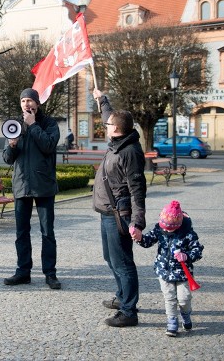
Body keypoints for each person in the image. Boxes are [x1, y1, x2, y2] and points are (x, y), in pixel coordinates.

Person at [92, 88, 147, 327]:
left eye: (108, 124)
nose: (106, 125)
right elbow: (108, 115)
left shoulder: (129, 151)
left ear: (116, 128)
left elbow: (138, 190)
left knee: (123, 262)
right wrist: (102, 100)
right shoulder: (117, 141)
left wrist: (137, 221)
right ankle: (122, 296)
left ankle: (129, 311)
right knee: (110, 258)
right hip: (106, 212)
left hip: (119, 214)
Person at [2, 88, 61, 290]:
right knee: (21, 232)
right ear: (20, 104)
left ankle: (50, 274)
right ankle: (23, 272)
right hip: (21, 185)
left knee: (47, 232)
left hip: (43, 185)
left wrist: (33, 125)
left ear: (38, 104)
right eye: (24, 101)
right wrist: (11, 145)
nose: (27, 104)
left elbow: (48, 145)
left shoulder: (49, 124)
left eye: (31, 101)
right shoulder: (14, 126)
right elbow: (7, 159)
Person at [133, 200, 204, 337]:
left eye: (169, 228)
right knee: (169, 298)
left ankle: (185, 314)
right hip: (164, 272)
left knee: (184, 299)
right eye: (163, 226)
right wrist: (139, 237)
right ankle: (172, 322)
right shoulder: (159, 229)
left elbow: (198, 251)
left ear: (178, 225)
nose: (165, 230)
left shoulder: (188, 234)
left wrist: (186, 256)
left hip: (183, 274)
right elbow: (148, 241)